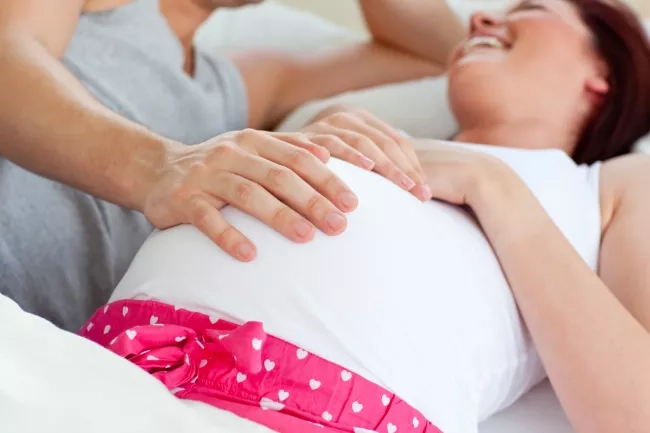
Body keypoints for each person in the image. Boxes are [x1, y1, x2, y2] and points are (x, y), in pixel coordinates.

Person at [78, 1, 650, 433]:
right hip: (110, 365)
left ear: (604, 72)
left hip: (311, 412)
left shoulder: (613, 185)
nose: (478, 18)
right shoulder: (358, 127)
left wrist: (492, 185)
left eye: (529, 8)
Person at [0, 0, 464, 331]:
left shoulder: (237, 86)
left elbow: (440, 55)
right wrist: (161, 167)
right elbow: (7, 57)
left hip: (34, 346)